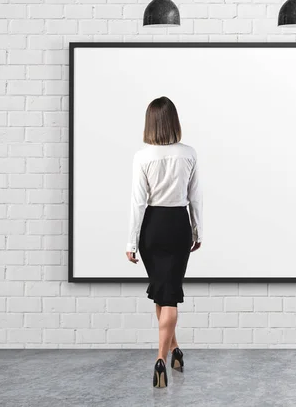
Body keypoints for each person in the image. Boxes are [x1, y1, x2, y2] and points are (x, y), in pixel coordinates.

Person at [125, 96, 203, 388]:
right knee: (166, 292)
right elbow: (196, 197)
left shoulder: (142, 156)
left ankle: (166, 353)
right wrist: (197, 231)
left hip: (152, 226)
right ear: (174, 122)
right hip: (178, 225)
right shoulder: (189, 154)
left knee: (164, 292)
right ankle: (167, 354)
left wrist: (131, 242)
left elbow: (137, 203)